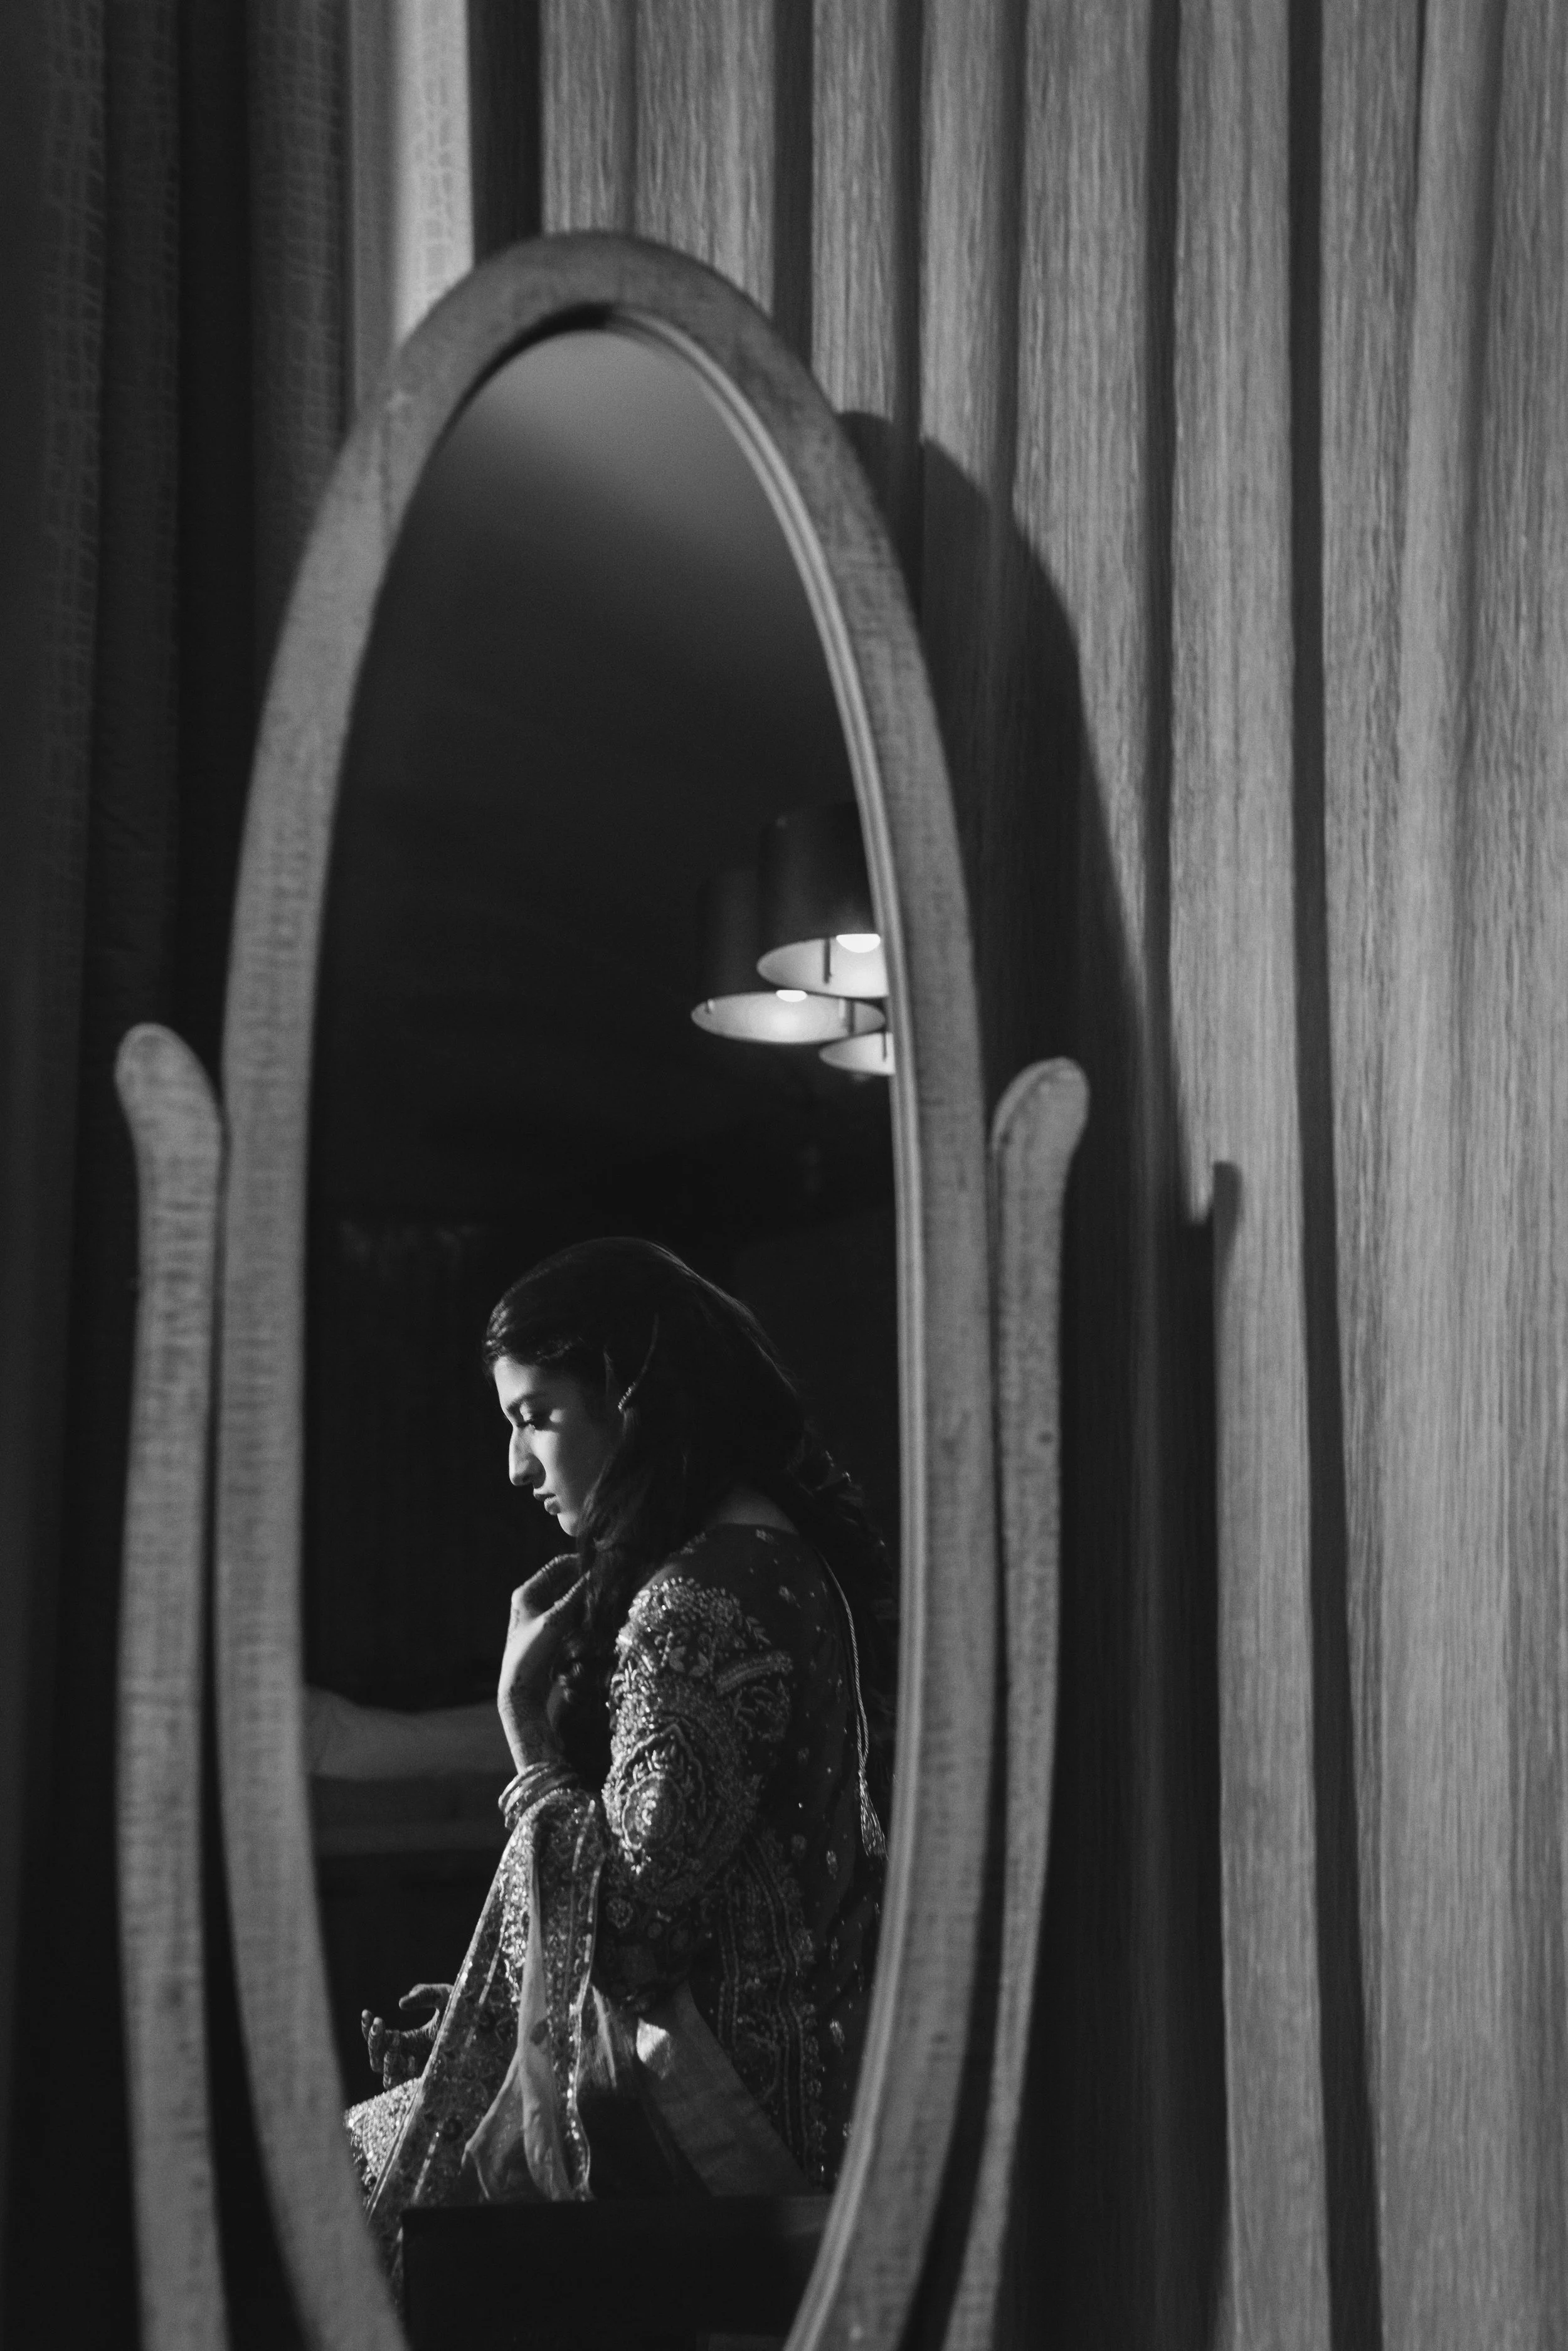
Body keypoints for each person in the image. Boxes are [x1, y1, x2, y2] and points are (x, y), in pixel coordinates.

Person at [345, 1237, 893, 2274]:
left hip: (732, 2119)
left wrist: (525, 1724)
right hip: (807, 2086)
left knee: (345, 2186)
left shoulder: (697, 1605)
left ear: (634, 1397)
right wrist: (491, 2012)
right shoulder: (766, 1558)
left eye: (535, 1417)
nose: (515, 1467)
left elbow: (635, 1952)